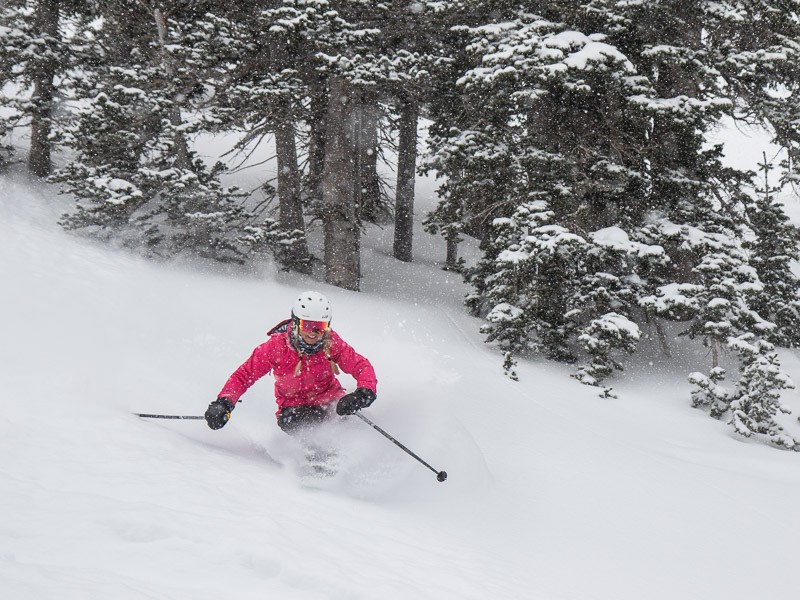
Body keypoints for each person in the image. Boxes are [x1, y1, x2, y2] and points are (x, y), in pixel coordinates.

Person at [205, 291, 377, 434]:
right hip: (294, 407)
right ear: (296, 322)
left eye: (320, 327)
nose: (314, 333)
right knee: (304, 425)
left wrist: (362, 394)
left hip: (329, 400)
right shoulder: (276, 347)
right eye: (307, 325)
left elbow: (361, 366)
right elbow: (244, 375)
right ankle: (315, 461)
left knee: (348, 424)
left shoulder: (331, 343)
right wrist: (223, 403)